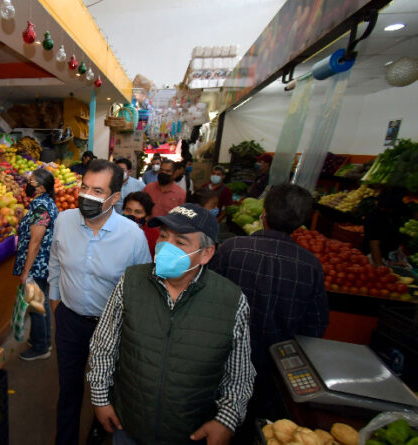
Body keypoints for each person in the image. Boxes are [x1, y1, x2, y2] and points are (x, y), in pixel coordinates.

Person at [87, 204, 255, 445]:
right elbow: (103, 345)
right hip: (129, 426)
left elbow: (239, 376)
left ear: (206, 254)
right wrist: (101, 399)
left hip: (190, 433)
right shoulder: (132, 281)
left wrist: (226, 419)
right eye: (164, 237)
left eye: (181, 242)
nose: (166, 247)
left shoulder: (232, 301)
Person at [210, 184, 328, 436]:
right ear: (301, 222)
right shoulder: (310, 266)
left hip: (223, 363)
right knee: (265, 431)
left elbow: (206, 301)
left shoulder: (232, 249)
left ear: (264, 213)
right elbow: (315, 327)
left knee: (220, 422)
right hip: (277, 372)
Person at [48, 159, 152, 445]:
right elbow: (55, 261)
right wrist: (55, 300)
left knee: (106, 389)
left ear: (114, 198)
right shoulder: (64, 220)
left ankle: (99, 433)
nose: (86, 196)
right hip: (69, 320)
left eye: (97, 191)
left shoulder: (132, 236)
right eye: (84, 188)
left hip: (111, 328)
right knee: (68, 388)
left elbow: (142, 288)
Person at [13, 168, 59, 360]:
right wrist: (19, 219)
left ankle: (41, 347)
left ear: (40, 187)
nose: (28, 185)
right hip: (43, 262)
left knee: (35, 304)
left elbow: (35, 241)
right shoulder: (45, 203)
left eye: (31, 182)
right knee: (41, 303)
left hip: (37, 263)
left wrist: (26, 270)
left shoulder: (41, 206)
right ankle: (43, 339)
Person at [363, 188, 410, 267]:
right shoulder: (373, 218)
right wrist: (380, 266)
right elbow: (374, 244)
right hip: (374, 256)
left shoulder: (395, 214)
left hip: (389, 255)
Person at [122, 191, 159, 256]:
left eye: (138, 212)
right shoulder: (112, 231)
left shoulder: (155, 237)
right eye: (128, 210)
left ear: (147, 217)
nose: (132, 215)